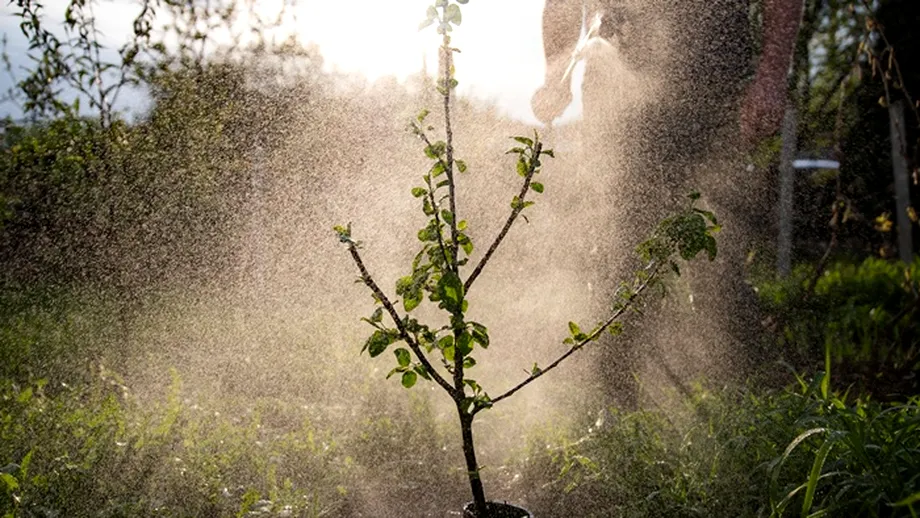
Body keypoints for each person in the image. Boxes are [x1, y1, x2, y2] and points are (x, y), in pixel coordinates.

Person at [531, 0, 803, 407]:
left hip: (714, 89)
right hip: (615, 90)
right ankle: (614, 409)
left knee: (718, 248)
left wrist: (770, 77)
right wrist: (556, 74)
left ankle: (742, 406)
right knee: (620, 246)